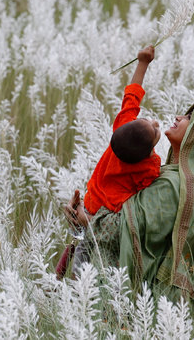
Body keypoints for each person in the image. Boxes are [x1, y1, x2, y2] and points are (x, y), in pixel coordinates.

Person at [64, 103, 194, 307]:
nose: (179, 117)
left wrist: (86, 219)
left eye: (189, 118)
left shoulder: (175, 186)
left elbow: (123, 229)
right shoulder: (178, 178)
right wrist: (84, 213)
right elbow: (126, 213)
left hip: (135, 302)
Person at [56, 46, 161, 278]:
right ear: (149, 151)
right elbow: (149, 185)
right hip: (103, 218)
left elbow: (132, 96)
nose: (155, 122)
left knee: (79, 249)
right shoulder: (148, 166)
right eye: (155, 130)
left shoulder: (122, 127)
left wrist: (142, 63)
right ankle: (72, 284)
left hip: (90, 202)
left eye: (149, 122)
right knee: (96, 264)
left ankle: (59, 278)